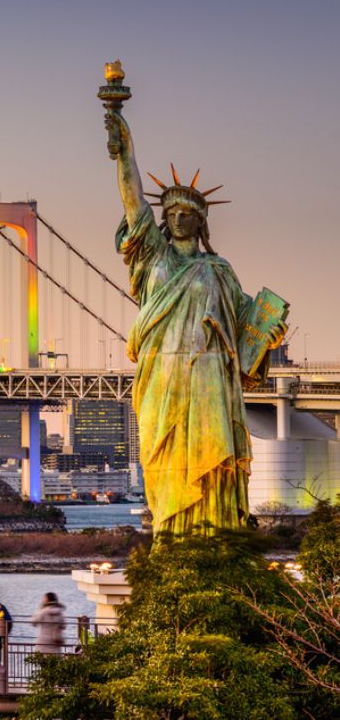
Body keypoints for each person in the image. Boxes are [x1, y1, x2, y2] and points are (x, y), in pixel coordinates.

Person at [104, 102, 285, 535]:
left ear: (202, 222)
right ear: (163, 221)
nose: (180, 219)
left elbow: (246, 327)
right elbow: (133, 202)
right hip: (162, 374)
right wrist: (125, 150)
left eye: (189, 214)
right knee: (164, 457)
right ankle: (171, 534)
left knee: (212, 458)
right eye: (172, 214)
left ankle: (216, 534)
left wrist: (269, 335)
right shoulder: (152, 257)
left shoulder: (218, 270)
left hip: (209, 377)